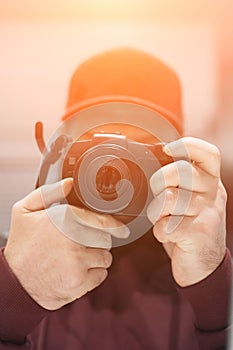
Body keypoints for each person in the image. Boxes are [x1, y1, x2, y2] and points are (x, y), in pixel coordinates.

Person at [0, 48, 232, 350]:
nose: (114, 170)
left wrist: (215, 285)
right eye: (95, 145)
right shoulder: (14, 261)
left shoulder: (211, 259)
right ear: (59, 151)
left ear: (179, 158)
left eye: (142, 149)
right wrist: (13, 291)